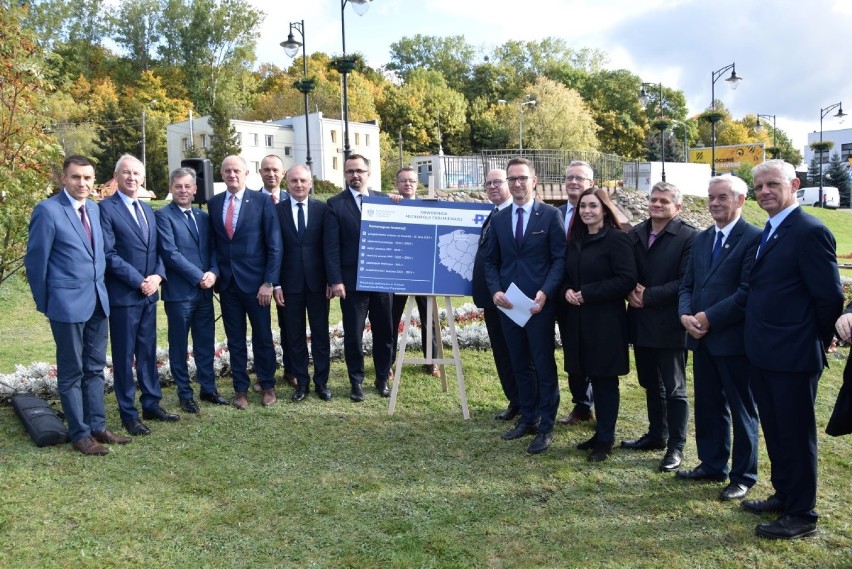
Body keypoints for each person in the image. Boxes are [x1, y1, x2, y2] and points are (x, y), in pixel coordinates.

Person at [742, 159, 843, 540]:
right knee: (777, 430)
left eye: (772, 184)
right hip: (764, 352)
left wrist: (819, 340)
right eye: (759, 186)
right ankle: (784, 494)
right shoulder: (770, 230)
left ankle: (802, 514)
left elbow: (829, 297)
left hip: (794, 355)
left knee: (797, 435)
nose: (764, 191)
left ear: (794, 185)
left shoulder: (809, 231)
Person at [24, 155, 131, 454]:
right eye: (76, 177)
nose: (82, 183)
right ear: (63, 179)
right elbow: (35, 263)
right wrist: (48, 304)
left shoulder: (94, 210)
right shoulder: (48, 211)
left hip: (98, 302)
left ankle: (97, 426)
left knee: (95, 369)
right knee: (72, 373)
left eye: (87, 178)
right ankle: (80, 434)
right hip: (66, 306)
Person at [677, 174, 760, 501]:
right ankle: (712, 464)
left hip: (733, 340)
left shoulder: (753, 238)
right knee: (709, 405)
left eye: (722, 197)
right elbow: (688, 285)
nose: (714, 203)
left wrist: (708, 317)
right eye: (711, 197)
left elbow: (747, 292)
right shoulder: (701, 238)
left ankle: (743, 475)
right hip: (700, 338)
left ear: (740, 200)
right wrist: (684, 316)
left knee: (741, 409)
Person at [484, 157, 566, 454]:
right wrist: (495, 291)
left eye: (522, 178)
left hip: (538, 305)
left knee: (543, 365)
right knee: (519, 363)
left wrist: (546, 292)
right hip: (508, 305)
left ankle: (546, 425)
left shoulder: (550, 216)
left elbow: (559, 259)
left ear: (534, 181)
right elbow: (491, 261)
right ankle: (528, 418)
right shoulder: (500, 218)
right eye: (512, 178)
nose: (516, 183)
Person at [100, 154, 178, 435]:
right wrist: (139, 281)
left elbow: (158, 250)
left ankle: (151, 404)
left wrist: (157, 277)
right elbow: (109, 254)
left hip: (149, 295)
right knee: (123, 357)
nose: (132, 177)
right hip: (124, 296)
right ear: (116, 176)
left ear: (143, 178)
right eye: (126, 173)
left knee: (147, 353)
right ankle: (128, 414)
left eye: (136, 173)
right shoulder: (105, 209)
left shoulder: (147, 210)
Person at [625, 181, 697, 472]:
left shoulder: (689, 236)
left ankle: (675, 446)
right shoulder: (636, 233)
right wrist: (629, 290)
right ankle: (657, 435)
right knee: (650, 383)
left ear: (677, 207)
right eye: (653, 199)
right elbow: (624, 268)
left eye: (664, 201)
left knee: (675, 388)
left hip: (670, 324)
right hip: (641, 323)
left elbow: (686, 280)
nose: (656, 204)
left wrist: (648, 296)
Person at [562, 187, 636, 461]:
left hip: (606, 322)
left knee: (605, 381)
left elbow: (626, 279)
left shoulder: (617, 240)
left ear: (604, 209)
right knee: (587, 375)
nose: (586, 211)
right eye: (583, 207)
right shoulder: (577, 240)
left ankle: (606, 438)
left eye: (592, 206)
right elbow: (568, 275)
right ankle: (599, 433)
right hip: (579, 321)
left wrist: (589, 293)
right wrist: (567, 290)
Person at [208, 155, 283, 409]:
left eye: (236, 170)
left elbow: (274, 245)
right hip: (228, 286)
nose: (232, 175)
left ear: (246, 172)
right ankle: (240, 389)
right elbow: (215, 245)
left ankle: (267, 385)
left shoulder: (262, 201)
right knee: (235, 339)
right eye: (227, 171)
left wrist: (269, 282)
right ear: (221, 173)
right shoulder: (214, 202)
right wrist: (216, 274)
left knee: (262, 337)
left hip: (257, 286)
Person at [155, 167, 230, 413]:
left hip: (204, 292)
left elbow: (213, 249)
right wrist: (199, 276)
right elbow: (170, 253)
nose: (183, 191)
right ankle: (185, 394)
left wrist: (213, 273)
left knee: (205, 342)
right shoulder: (163, 216)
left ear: (195, 189)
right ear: (171, 188)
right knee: (179, 345)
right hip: (179, 293)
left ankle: (208, 389)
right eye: (178, 186)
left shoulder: (203, 217)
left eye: (188, 186)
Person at [324, 154, 395, 402]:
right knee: (354, 335)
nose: (355, 175)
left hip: (383, 280)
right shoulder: (335, 204)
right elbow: (331, 247)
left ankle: (383, 378)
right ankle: (356, 382)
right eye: (350, 171)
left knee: (385, 333)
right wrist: (336, 280)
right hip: (351, 282)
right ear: (344, 175)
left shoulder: (385, 201)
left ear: (368, 173)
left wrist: (399, 204)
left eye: (359, 171)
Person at [273, 165, 333, 402]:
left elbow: (329, 246)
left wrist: (331, 278)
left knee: (320, 335)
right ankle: (301, 383)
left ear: (310, 183)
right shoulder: (276, 210)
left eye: (303, 181)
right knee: (294, 336)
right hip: (289, 285)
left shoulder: (323, 209)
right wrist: (275, 284)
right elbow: (273, 249)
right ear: (287, 183)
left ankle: (321, 383)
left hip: (319, 285)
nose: (299, 185)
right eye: (294, 181)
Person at [471, 169, 517, 420]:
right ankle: (515, 400)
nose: (492, 187)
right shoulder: (494, 214)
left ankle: (526, 403)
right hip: (492, 298)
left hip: (510, 298)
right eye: (488, 183)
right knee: (501, 351)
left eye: (497, 182)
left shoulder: (516, 214)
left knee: (517, 353)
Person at [390, 166, 442, 377]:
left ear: (416, 184)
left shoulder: (427, 207)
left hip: (423, 271)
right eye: (403, 181)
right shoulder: (391, 204)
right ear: (397, 184)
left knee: (429, 317)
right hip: (398, 272)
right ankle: (389, 363)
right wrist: (389, 203)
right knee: (391, 319)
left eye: (411, 180)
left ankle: (432, 361)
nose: (408, 184)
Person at [556, 161, 595, 426]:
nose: (573, 182)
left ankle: (595, 402)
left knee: (593, 352)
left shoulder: (599, 215)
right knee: (572, 353)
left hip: (591, 297)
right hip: (561, 294)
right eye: (569, 177)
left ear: (590, 183)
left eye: (579, 178)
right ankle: (581, 404)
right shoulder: (553, 214)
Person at [258, 154, 295, 389]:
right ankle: (266, 374)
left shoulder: (293, 199)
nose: (271, 174)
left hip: (288, 276)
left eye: (275, 170)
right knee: (262, 328)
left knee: (289, 326)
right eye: (266, 170)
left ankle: (291, 370)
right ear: (260, 172)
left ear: (283, 173)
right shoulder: (251, 201)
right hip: (256, 276)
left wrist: (278, 282)